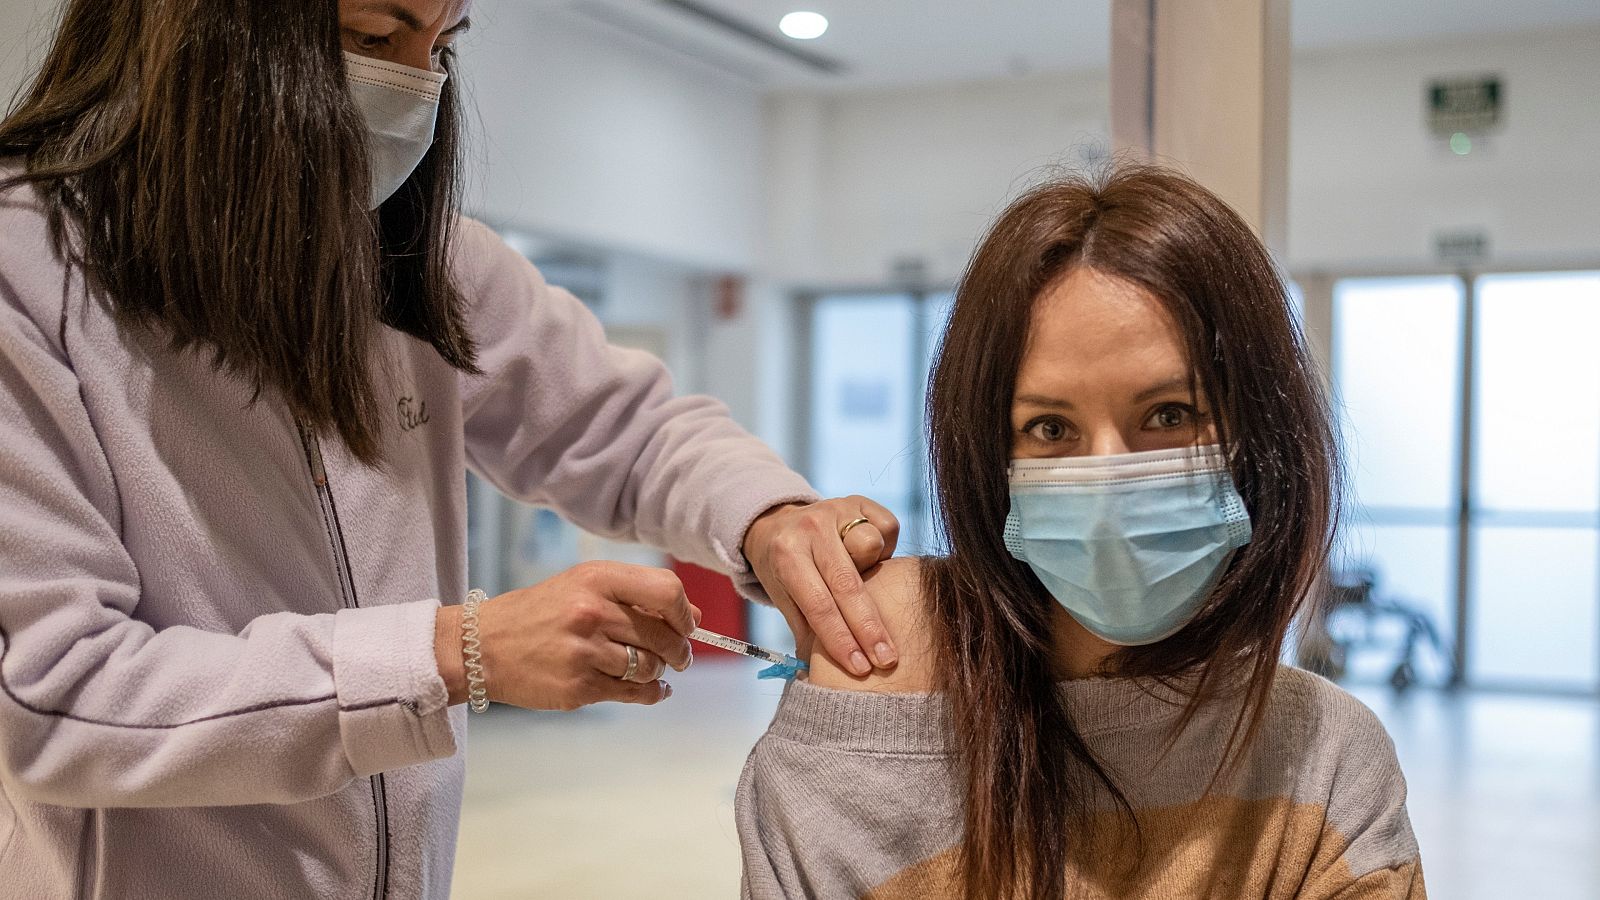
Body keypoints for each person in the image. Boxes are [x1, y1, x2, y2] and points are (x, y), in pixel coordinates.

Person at [0, 1, 903, 897]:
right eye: (373, 36)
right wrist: (453, 653)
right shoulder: (27, 272)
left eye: (441, 47)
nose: (415, 89)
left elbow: (624, 427)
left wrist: (767, 515)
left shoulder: (420, 263)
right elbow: (50, 697)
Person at [736, 165, 1427, 899]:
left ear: (1262, 431)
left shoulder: (1325, 761)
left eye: (1169, 415)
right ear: (987, 460)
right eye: (1049, 428)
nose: (1107, 483)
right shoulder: (871, 719)